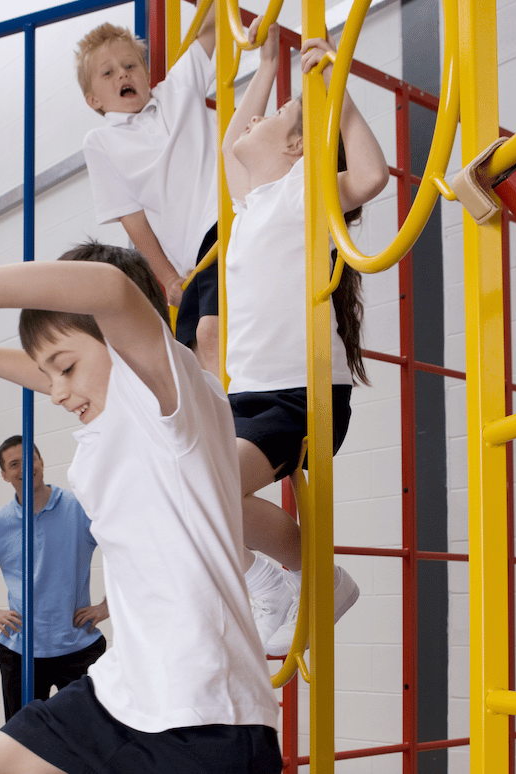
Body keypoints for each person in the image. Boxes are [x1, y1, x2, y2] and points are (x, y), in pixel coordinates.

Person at [0, 244, 282, 774]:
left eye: (66, 369)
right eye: (48, 373)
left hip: (206, 709)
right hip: (123, 691)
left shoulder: (174, 403)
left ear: (126, 340)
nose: (55, 392)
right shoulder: (111, 422)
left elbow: (112, 289)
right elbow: (52, 365)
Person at [220, 30, 390, 656]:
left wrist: (337, 96)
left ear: (297, 147)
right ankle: (272, 576)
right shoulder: (255, 199)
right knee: (182, 483)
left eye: (280, 114)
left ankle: (316, 579)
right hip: (250, 393)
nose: (257, 117)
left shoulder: (302, 191)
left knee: (211, 486)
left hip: (301, 393)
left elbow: (370, 176)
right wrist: (265, 68)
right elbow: (231, 150)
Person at [76, 5, 272, 376]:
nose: (123, 73)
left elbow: (215, 22)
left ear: (147, 73)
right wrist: (167, 277)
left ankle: (234, 426)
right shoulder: (101, 141)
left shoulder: (177, 90)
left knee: (211, 334)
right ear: (94, 99)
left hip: (229, 218)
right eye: (108, 72)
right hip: (193, 257)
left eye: (131, 65)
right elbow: (132, 219)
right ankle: (223, 425)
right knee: (191, 353)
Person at [0, 435, 108, 721]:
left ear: (41, 462)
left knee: (90, 736)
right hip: (21, 652)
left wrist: (107, 606)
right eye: (14, 464)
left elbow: (125, 548)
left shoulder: (79, 508)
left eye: (29, 459)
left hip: (78, 647)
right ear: (4, 475)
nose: (24, 467)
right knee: (23, 740)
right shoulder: (0, 523)